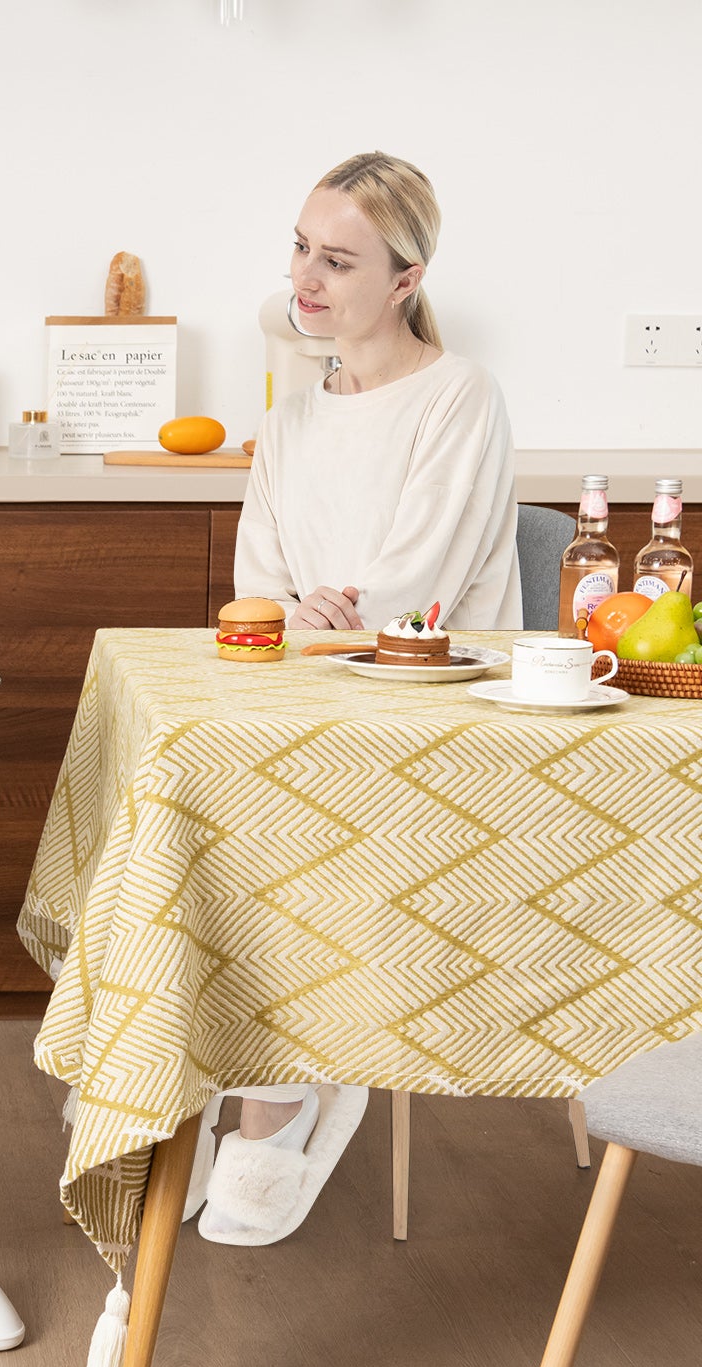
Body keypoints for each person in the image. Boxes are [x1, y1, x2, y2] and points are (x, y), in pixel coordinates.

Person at [199, 150, 522, 1247]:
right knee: (182, 806)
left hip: (431, 717)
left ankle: (288, 1078)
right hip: (311, 695)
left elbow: (417, 586)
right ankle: (215, 1052)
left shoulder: (459, 397)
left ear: (402, 279)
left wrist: (317, 612)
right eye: (300, 248)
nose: (307, 277)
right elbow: (258, 588)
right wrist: (300, 613)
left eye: (338, 260)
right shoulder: (291, 418)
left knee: (274, 818)